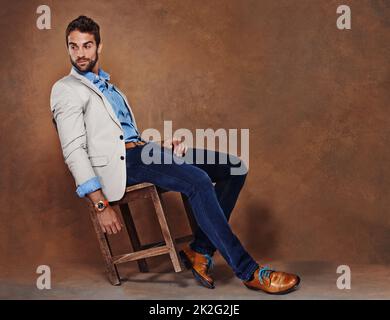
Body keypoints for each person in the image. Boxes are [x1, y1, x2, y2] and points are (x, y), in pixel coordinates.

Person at [50, 15, 300, 294]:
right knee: (199, 181)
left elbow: (121, 135)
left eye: (87, 46)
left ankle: (199, 252)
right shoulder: (65, 90)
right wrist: (99, 203)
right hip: (123, 166)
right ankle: (250, 271)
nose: (80, 53)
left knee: (233, 168)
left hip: (142, 153)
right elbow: (73, 149)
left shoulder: (109, 88)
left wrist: (159, 146)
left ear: (99, 47)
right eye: (74, 46)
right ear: (68, 48)